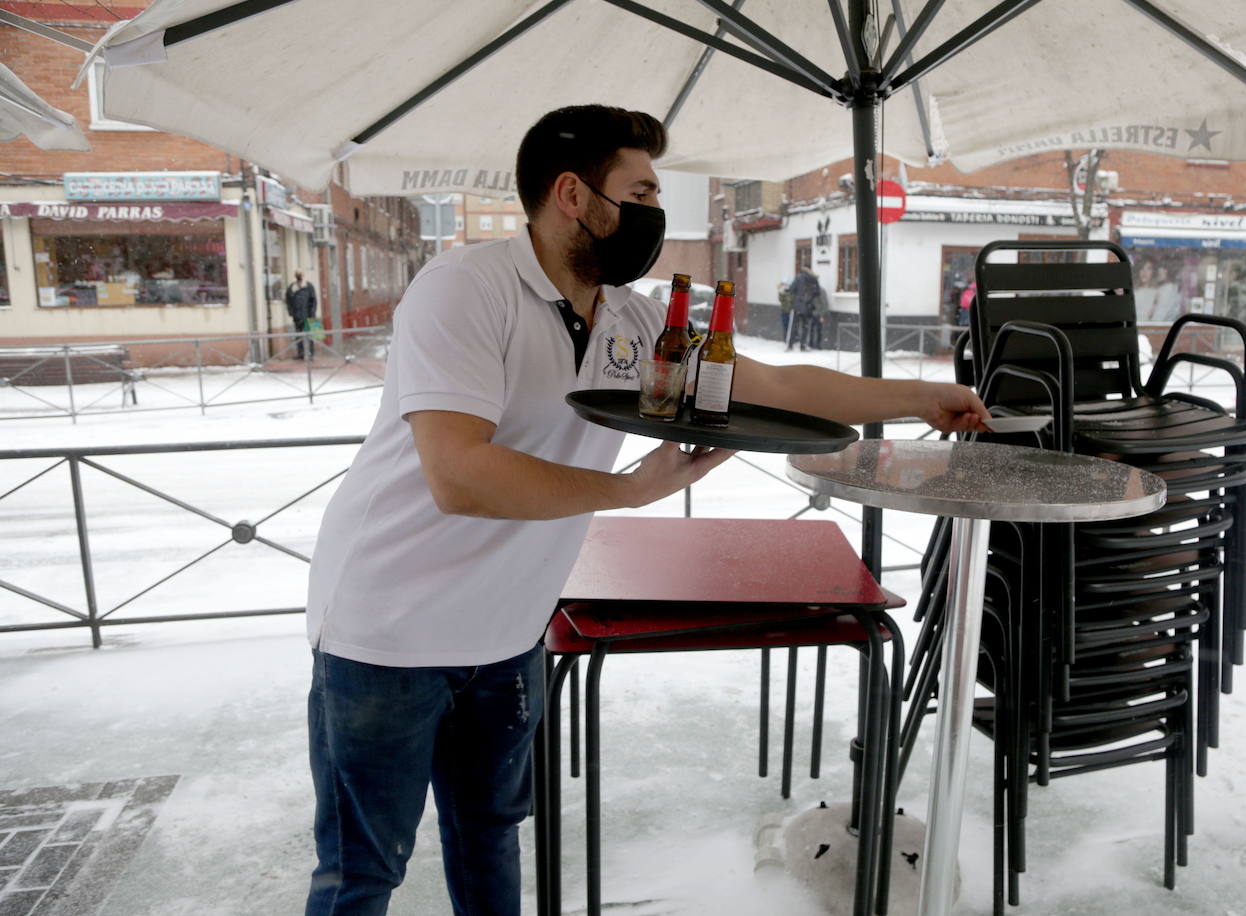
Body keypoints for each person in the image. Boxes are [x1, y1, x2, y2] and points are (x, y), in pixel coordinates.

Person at [302, 104, 990, 916]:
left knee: (489, 836)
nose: (656, 214)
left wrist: (919, 393)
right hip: (388, 630)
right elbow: (462, 475)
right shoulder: (465, 290)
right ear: (572, 195)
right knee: (363, 871)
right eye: (641, 191)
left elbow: (779, 384)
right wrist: (632, 491)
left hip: (505, 634)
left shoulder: (629, 318)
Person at [787, 265, 822, 350]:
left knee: (794, 326)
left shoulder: (798, 277)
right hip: (808, 306)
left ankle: (790, 345)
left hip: (798, 305)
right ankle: (803, 345)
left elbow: (791, 289)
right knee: (805, 327)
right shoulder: (813, 278)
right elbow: (817, 292)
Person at [286, 270, 318, 359]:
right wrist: (292, 313)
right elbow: (289, 302)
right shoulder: (292, 287)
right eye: (297, 275)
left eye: (300, 274)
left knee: (310, 336)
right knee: (299, 336)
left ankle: (311, 353)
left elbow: (313, 300)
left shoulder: (309, 286)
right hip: (297, 316)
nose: (299, 276)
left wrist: (312, 313)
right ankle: (301, 354)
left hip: (308, 316)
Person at [777, 280, 794, 345]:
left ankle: (790, 339)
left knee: (790, 327)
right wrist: (781, 292)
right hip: (784, 311)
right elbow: (781, 300)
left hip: (790, 312)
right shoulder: (783, 293)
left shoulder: (791, 292)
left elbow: (791, 300)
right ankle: (785, 339)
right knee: (785, 326)